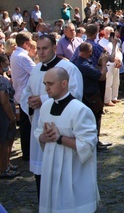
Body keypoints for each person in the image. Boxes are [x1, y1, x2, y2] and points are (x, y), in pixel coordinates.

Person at [20, 34, 84, 198]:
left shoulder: (68, 69)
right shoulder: (35, 69)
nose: (41, 53)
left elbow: (75, 95)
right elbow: (26, 93)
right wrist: (30, 102)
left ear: (54, 48)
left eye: (45, 48)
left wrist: (42, 100)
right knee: (42, 179)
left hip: (61, 129)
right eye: (38, 49)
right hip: (40, 127)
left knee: (61, 178)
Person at [34, 67, 99, 213]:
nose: (46, 88)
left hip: (73, 171)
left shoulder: (80, 110)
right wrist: (43, 136)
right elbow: (38, 132)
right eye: (45, 84)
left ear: (64, 83)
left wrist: (60, 138)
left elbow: (87, 145)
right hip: (51, 168)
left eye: (50, 84)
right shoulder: (46, 106)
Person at [72, 42, 111, 152]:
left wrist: (98, 64)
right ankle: (94, 143)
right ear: (90, 52)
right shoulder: (83, 65)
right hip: (90, 97)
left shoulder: (82, 62)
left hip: (90, 95)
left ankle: (96, 141)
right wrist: (103, 64)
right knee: (94, 120)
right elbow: (101, 77)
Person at [10, 31, 36, 161]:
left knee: (26, 126)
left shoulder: (16, 54)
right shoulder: (23, 56)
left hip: (21, 93)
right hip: (25, 95)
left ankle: (27, 151)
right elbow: (35, 72)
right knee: (27, 126)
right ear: (26, 43)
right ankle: (28, 153)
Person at [0, 54, 18, 179]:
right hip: (4, 114)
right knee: (5, 142)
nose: (8, 63)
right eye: (6, 61)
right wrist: (12, 117)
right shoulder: (2, 81)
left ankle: (6, 164)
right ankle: (3, 168)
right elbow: (4, 100)